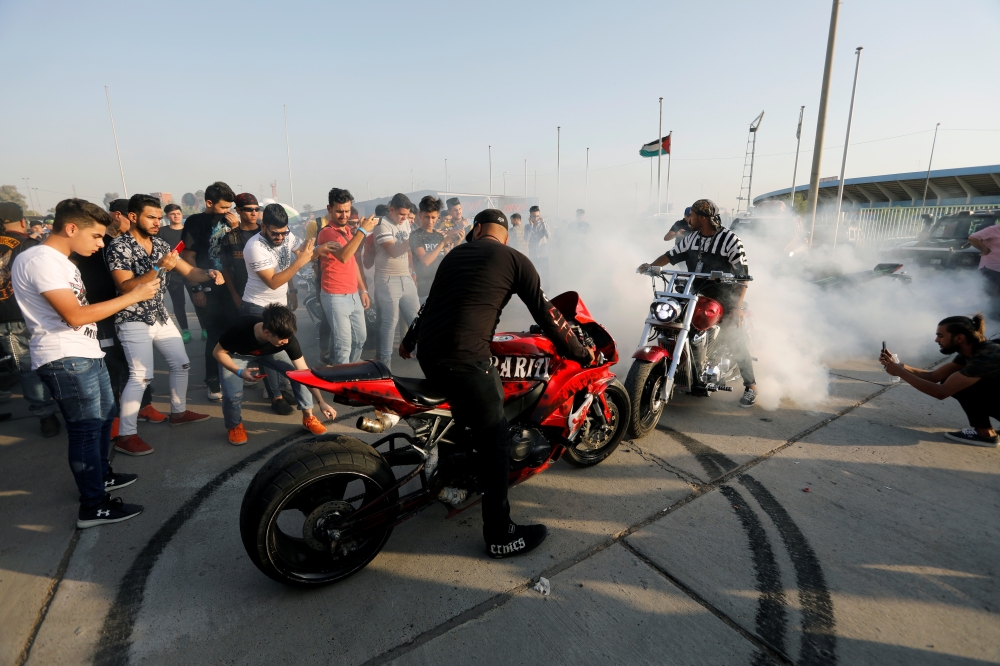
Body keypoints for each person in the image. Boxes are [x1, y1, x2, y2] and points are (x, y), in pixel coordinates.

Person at [400, 209, 593, 558]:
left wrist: (408, 342)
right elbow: (547, 315)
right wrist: (581, 352)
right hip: (466, 359)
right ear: (505, 236)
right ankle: (500, 534)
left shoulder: (454, 255)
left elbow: (428, 306)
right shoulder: (516, 260)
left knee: (465, 413)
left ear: (476, 230)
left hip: (429, 355)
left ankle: (454, 476)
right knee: (496, 441)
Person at [12, 198, 160, 528]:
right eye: (95, 236)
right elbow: (74, 314)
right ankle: (93, 505)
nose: (100, 243)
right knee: (85, 431)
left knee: (105, 417)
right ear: (71, 228)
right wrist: (132, 296)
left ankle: (101, 477)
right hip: (65, 357)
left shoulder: (60, 260)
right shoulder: (41, 260)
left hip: (84, 352)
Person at [106, 194, 217, 454]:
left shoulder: (159, 244)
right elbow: (124, 287)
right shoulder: (118, 246)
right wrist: (158, 267)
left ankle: (177, 413)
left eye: (160, 217)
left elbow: (189, 272)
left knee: (181, 363)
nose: (158, 222)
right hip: (132, 317)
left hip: (159, 315)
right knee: (140, 376)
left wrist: (210, 274)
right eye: (151, 217)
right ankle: (126, 436)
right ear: (133, 217)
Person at [638, 198, 757, 407]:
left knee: (733, 335)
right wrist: (651, 266)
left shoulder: (730, 240)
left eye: (691, 215)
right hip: (692, 292)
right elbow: (669, 255)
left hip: (722, 296)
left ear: (702, 218)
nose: (688, 219)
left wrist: (737, 306)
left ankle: (751, 386)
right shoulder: (691, 238)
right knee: (668, 320)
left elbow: (743, 276)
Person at [74, 199, 162, 443]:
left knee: (133, 365)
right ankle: (112, 420)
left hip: (123, 311)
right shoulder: (81, 249)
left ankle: (145, 405)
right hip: (98, 312)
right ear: (121, 216)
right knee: (111, 365)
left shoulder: (115, 243)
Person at [214, 304, 336, 444]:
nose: (286, 341)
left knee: (299, 376)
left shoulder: (287, 339)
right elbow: (217, 353)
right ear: (267, 333)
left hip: (271, 353)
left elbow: (305, 373)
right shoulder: (240, 328)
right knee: (231, 395)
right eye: (282, 339)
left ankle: (308, 417)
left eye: (288, 338)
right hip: (237, 356)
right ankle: (234, 426)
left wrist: (322, 402)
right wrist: (239, 372)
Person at [881, 315, 999, 447]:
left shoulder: (987, 355)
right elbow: (934, 376)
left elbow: (941, 392)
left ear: (959, 338)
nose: (936, 340)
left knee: (960, 385)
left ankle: (985, 434)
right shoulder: (973, 351)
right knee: (953, 378)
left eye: (941, 336)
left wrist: (899, 372)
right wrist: (899, 366)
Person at [242, 203, 315, 413]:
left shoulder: (287, 235)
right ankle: (275, 396)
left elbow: (303, 253)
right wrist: (300, 262)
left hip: (279, 305)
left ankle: (284, 391)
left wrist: (319, 250)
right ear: (263, 226)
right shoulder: (254, 247)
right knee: (271, 355)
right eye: (275, 233)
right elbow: (273, 281)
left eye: (284, 232)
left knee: (280, 352)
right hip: (257, 307)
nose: (281, 237)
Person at [0, 201, 61, 437]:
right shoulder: (29, 245)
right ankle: (59, 409)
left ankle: (46, 417)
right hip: (36, 313)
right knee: (53, 361)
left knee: (27, 369)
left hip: (5, 317)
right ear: (24, 221)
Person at [181, 181, 240, 400]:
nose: (228, 212)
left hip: (232, 286)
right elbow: (188, 257)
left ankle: (233, 375)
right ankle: (212, 381)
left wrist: (235, 228)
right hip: (207, 286)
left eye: (230, 207)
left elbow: (239, 249)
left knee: (233, 333)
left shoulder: (231, 221)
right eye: (224, 207)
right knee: (214, 336)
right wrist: (196, 289)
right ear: (209, 203)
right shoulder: (195, 222)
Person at [317, 188, 377, 364]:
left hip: (353, 294)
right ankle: (343, 383)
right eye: (339, 211)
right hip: (334, 295)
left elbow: (352, 264)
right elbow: (343, 256)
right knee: (343, 345)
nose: (344, 215)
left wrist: (363, 290)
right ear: (329, 209)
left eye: (347, 211)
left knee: (360, 339)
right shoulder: (327, 232)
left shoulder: (349, 232)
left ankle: (351, 371)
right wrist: (363, 231)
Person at [372, 193, 419, 369]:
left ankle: (427, 358)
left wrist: (412, 271)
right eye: (401, 214)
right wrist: (414, 239)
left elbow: (408, 252)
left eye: (407, 215)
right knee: (390, 321)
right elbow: (394, 250)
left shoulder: (405, 222)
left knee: (416, 319)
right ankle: (385, 366)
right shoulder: (381, 225)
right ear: (391, 209)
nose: (405, 219)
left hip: (405, 277)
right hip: (387, 279)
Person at [410, 196, 461, 304]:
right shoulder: (416, 236)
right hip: (426, 289)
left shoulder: (439, 235)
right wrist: (442, 243)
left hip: (443, 286)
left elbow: (450, 260)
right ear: (420, 215)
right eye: (426, 217)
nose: (430, 221)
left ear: (438, 216)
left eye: (433, 217)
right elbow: (425, 261)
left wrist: (457, 244)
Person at [156, 203, 193, 343]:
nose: (176, 216)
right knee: (179, 303)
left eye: (178, 213)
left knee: (198, 300)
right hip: (172, 273)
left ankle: (204, 329)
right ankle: (185, 330)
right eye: (172, 214)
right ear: (167, 216)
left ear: (181, 214)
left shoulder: (188, 230)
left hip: (190, 271)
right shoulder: (162, 232)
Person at [219, 193, 262, 308]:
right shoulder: (230, 237)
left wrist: (292, 291)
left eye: (256, 209)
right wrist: (234, 295)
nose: (254, 213)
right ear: (238, 210)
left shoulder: (265, 234)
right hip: (243, 293)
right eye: (249, 210)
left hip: (266, 293)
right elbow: (226, 269)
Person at [968, 221, 1000, 309]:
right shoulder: (993, 229)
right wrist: (984, 250)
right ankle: (988, 318)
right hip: (991, 269)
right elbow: (973, 238)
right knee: (990, 297)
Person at [524, 205, 550, 287]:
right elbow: (526, 239)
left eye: (538, 216)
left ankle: (547, 293)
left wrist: (543, 223)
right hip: (533, 255)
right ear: (530, 216)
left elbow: (548, 236)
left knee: (545, 276)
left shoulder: (543, 224)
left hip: (543, 254)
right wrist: (531, 226)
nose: (536, 218)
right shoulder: (527, 226)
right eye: (534, 216)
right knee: (534, 275)